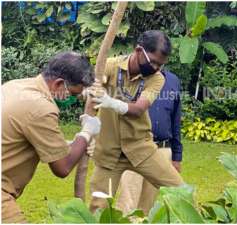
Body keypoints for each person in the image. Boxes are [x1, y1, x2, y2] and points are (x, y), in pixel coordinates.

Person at [88, 30, 184, 212]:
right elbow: (93, 87)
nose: (156, 67)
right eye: (153, 62)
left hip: (142, 149)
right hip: (109, 154)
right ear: (139, 50)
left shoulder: (156, 78)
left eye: (161, 65)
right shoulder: (110, 66)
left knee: (180, 191)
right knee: (98, 207)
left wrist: (111, 102)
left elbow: (139, 108)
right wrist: (92, 89)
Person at [2, 51, 101, 223]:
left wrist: (73, 144)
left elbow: (28, 138)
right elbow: (62, 168)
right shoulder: (41, 107)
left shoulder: (15, 86)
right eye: (72, 94)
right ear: (59, 84)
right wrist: (86, 134)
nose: (73, 99)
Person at [116, 69, 183, 215]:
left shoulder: (173, 80)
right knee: (128, 203)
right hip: (135, 149)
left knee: (148, 206)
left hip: (162, 150)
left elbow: (175, 120)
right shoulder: (132, 77)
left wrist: (177, 156)